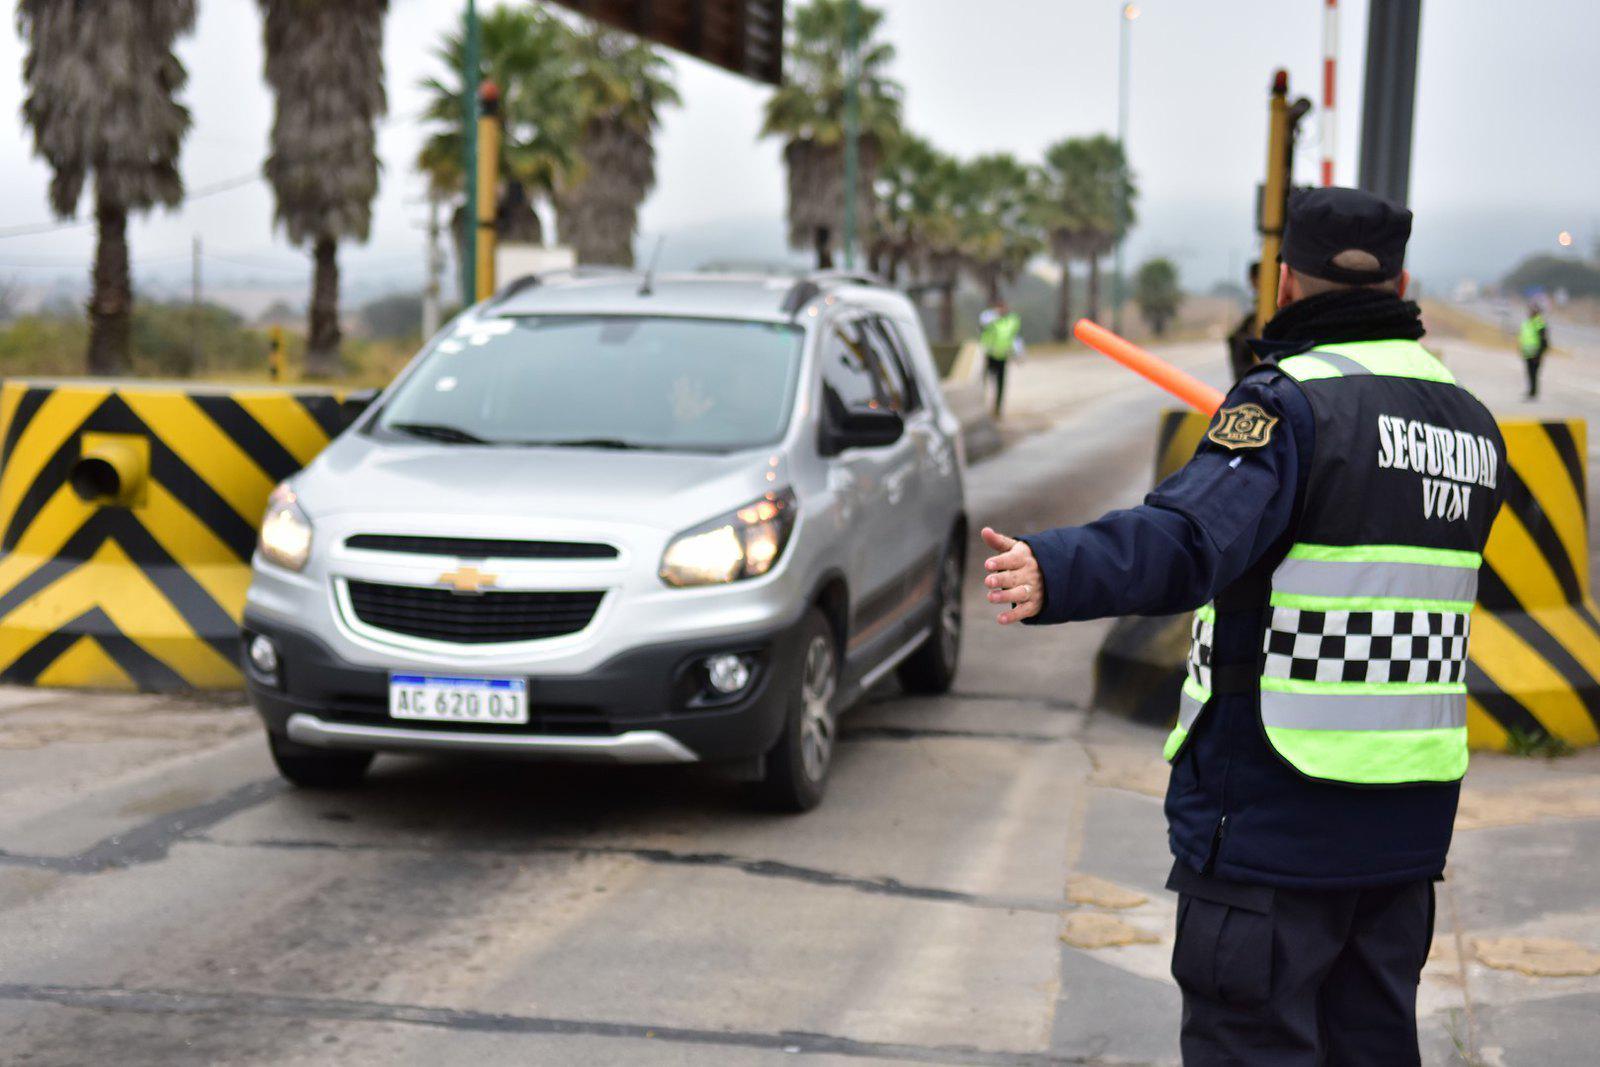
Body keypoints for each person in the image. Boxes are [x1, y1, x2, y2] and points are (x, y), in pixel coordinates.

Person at [980, 187, 1505, 1065]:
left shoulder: (1288, 406)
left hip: (1275, 828)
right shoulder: (1470, 424)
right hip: (1407, 835)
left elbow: (1188, 538)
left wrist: (1057, 566)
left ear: (1284, 282)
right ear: (1402, 279)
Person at [978, 298, 1024, 418]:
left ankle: (997, 409)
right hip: (989, 355)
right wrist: (993, 316)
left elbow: (1015, 338)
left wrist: (1018, 354)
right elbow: (982, 324)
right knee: (983, 383)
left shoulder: (1012, 320)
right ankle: (981, 407)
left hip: (1002, 356)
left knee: (1000, 385)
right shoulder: (989, 318)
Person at [1518, 302, 1549, 398]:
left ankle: (1533, 392)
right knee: (1529, 373)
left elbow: (1544, 340)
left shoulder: (1539, 323)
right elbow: (1523, 337)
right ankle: (1531, 391)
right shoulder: (1527, 322)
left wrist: (1539, 354)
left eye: (1532, 310)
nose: (1530, 312)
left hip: (1536, 354)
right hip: (1527, 353)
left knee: (1534, 374)